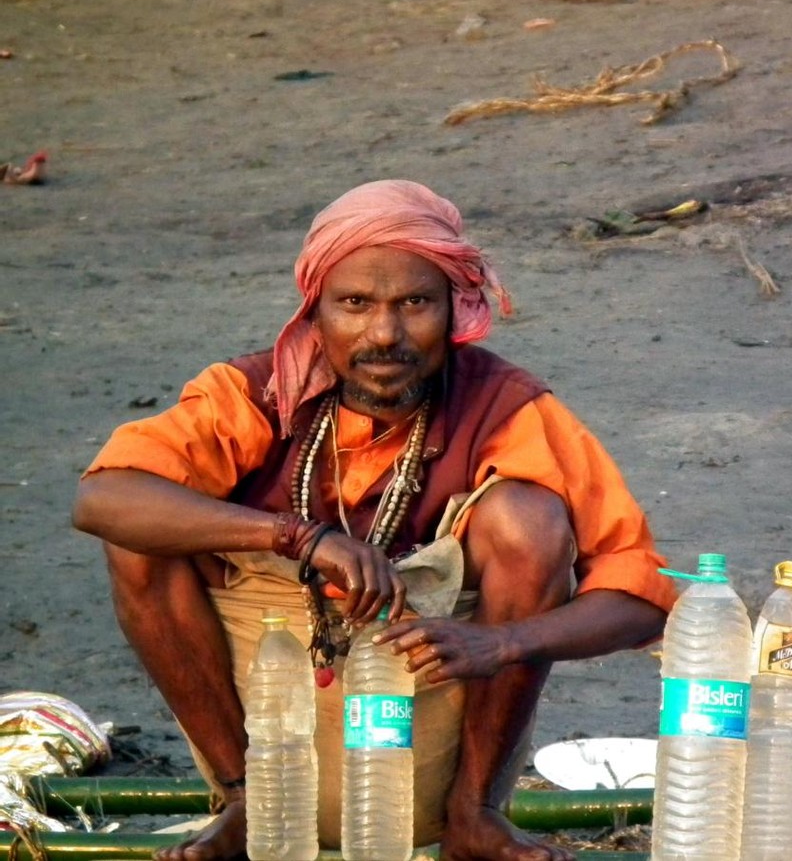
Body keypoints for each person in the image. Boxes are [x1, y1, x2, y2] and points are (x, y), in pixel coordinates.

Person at [73, 179, 678, 861]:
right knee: (139, 534)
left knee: (527, 518)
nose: (384, 334)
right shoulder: (252, 395)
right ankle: (243, 803)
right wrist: (299, 537)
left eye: (414, 303)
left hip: (424, 746)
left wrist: (506, 643)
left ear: (457, 309)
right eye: (354, 304)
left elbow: (641, 593)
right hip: (264, 728)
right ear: (315, 312)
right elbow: (101, 499)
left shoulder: (505, 406)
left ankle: (475, 817)